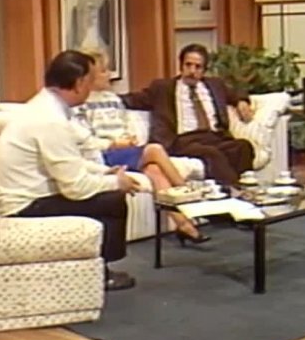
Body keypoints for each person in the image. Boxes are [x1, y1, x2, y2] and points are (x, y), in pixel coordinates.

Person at [0, 50, 139, 291]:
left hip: (26, 197)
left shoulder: (45, 107)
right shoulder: (50, 120)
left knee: (106, 192)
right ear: (79, 83)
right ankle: (98, 274)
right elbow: (76, 188)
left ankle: (93, 268)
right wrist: (116, 183)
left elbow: (68, 162)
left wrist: (103, 172)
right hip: (22, 207)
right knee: (111, 200)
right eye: (90, 81)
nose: (91, 88)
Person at [73, 49, 210, 245]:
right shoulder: (81, 104)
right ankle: (190, 195)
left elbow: (124, 125)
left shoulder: (113, 99)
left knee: (155, 171)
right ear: (90, 76)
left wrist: (129, 138)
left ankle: (184, 224)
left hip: (125, 150)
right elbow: (85, 140)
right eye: (104, 71)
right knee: (155, 150)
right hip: (104, 154)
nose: (109, 74)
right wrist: (115, 143)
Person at [121, 43, 255, 186]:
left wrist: (241, 101)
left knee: (243, 146)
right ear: (181, 66)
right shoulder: (163, 88)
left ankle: (247, 186)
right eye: (188, 65)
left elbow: (236, 93)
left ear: (204, 70)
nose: (192, 71)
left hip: (215, 137)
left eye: (198, 67)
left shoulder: (215, 85)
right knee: (211, 153)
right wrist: (107, 98)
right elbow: (133, 99)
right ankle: (232, 190)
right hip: (184, 141)